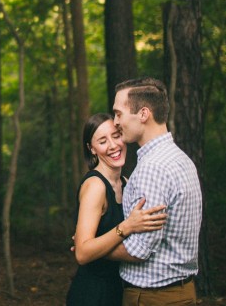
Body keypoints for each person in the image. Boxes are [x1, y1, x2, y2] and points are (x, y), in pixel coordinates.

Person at [109, 77, 203, 306]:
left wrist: (91, 247)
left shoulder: (153, 169)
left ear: (143, 114)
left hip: (152, 298)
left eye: (119, 114)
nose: (115, 122)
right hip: (181, 293)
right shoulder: (180, 159)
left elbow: (139, 250)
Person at [66, 113, 168, 306]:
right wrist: (127, 227)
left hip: (118, 289)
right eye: (102, 141)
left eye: (116, 135)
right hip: (93, 294)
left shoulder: (126, 183)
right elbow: (82, 254)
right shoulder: (96, 186)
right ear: (92, 149)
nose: (113, 145)